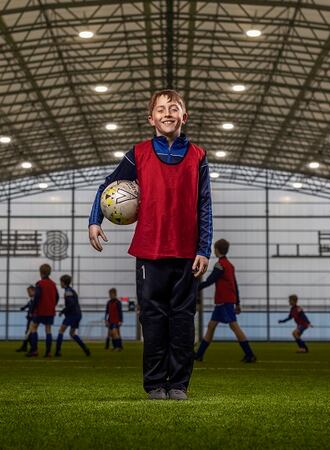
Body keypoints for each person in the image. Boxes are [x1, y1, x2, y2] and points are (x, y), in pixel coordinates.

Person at [88, 89, 212, 400]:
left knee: (183, 319)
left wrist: (204, 248)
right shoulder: (138, 153)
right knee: (153, 318)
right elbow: (107, 185)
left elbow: (205, 205)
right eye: (160, 109)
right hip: (149, 251)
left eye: (174, 108)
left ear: (184, 116)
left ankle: (179, 385)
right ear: (151, 118)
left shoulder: (198, 155)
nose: (167, 113)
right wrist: (94, 220)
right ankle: (156, 383)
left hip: (187, 253)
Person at [195, 239, 256, 363]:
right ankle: (199, 355)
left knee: (234, 326)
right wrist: (237, 302)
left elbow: (210, 281)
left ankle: (250, 354)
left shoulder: (220, 265)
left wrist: (194, 288)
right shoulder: (229, 265)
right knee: (211, 326)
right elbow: (235, 284)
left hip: (224, 301)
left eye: (215, 248)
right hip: (225, 301)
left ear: (217, 249)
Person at [26, 264, 59, 358]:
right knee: (48, 330)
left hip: (40, 311)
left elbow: (36, 298)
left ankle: (34, 350)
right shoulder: (53, 284)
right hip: (50, 311)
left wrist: (32, 310)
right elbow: (57, 297)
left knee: (33, 328)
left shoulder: (40, 284)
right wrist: (52, 305)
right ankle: (48, 352)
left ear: (41, 272)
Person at [55, 275, 90, 357]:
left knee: (61, 331)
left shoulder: (67, 292)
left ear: (64, 282)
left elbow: (71, 304)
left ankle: (58, 351)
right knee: (72, 333)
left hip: (72, 315)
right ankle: (85, 349)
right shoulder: (71, 290)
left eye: (61, 282)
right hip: (78, 314)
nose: (60, 283)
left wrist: (63, 311)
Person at [16, 285, 35, 352]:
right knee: (28, 332)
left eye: (29, 291)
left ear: (34, 291)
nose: (28, 293)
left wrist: (31, 314)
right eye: (28, 292)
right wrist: (23, 308)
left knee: (29, 333)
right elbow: (28, 304)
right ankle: (25, 347)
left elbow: (34, 308)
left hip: (33, 319)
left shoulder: (35, 299)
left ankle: (32, 348)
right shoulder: (31, 299)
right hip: (29, 318)